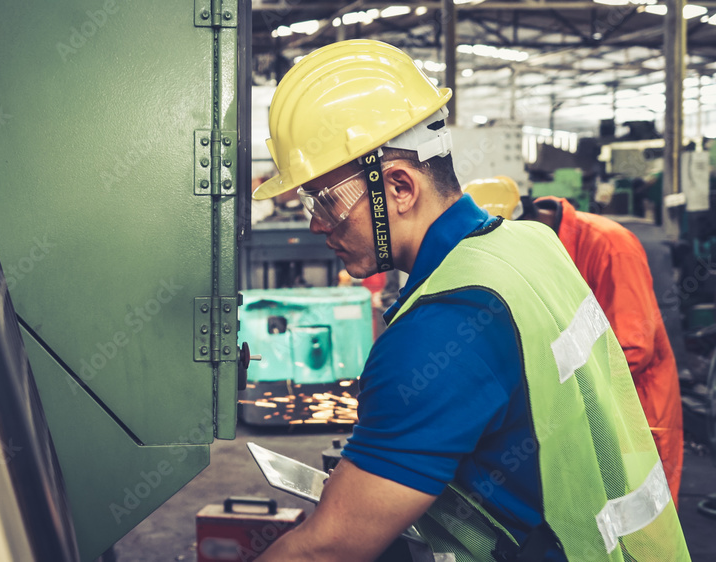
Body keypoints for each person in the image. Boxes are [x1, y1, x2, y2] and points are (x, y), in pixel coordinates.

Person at [251, 39, 688, 561]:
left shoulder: (442, 327)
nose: (317, 223)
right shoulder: (530, 243)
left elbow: (325, 550)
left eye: (326, 201)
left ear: (400, 187)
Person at [465, 176, 685, 506]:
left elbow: (634, 348)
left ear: (528, 221)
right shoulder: (540, 248)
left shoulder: (611, 247)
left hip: (635, 415)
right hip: (590, 414)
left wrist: (541, 388)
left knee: (640, 528)